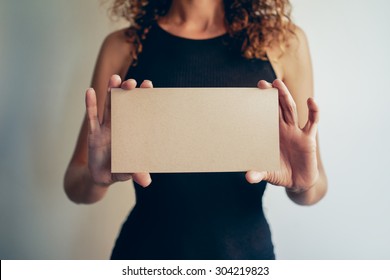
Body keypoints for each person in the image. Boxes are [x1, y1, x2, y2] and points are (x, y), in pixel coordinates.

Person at [64, 0, 327, 259]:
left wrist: (301, 185)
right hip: (145, 256)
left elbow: (315, 186)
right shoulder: (123, 45)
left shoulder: (283, 42)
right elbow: (75, 183)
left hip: (245, 258)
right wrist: (96, 178)